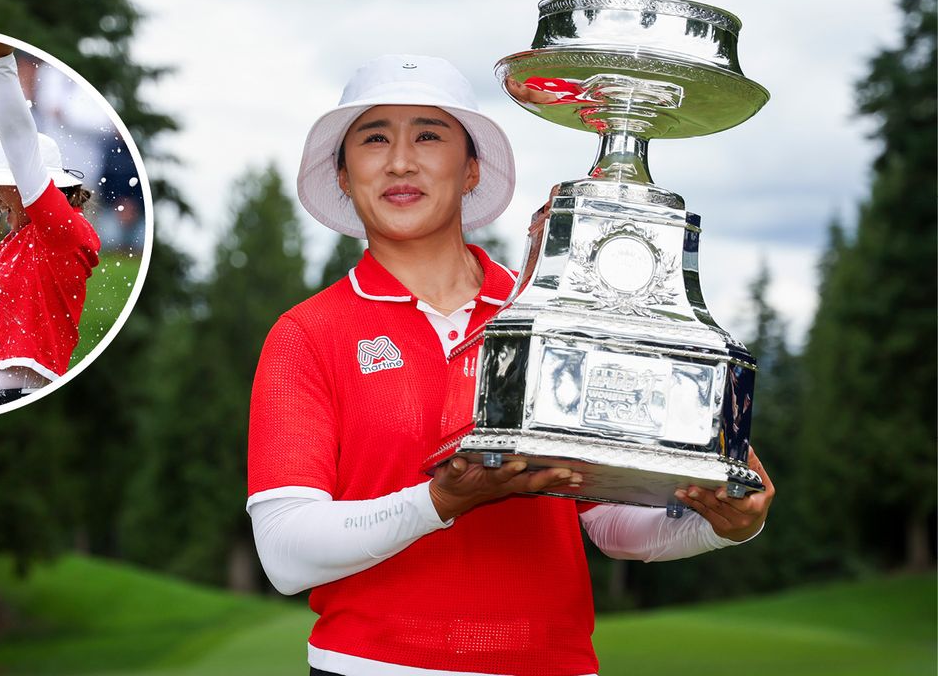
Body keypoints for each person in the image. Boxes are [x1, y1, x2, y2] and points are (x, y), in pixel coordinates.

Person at [246, 55, 775, 676]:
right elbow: (286, 553)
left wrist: (720, 521)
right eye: (374, 138)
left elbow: (606, 520)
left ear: (471, 170)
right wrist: (441, 501)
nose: (400, 161)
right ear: (343, 172)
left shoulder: (551, 314)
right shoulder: (306, 335)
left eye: (429, 134)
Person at [0, 41, 101, 410]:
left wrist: (1, 62)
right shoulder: (25, 237)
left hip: (23, 396)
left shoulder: (60, 231)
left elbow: (18, 138)